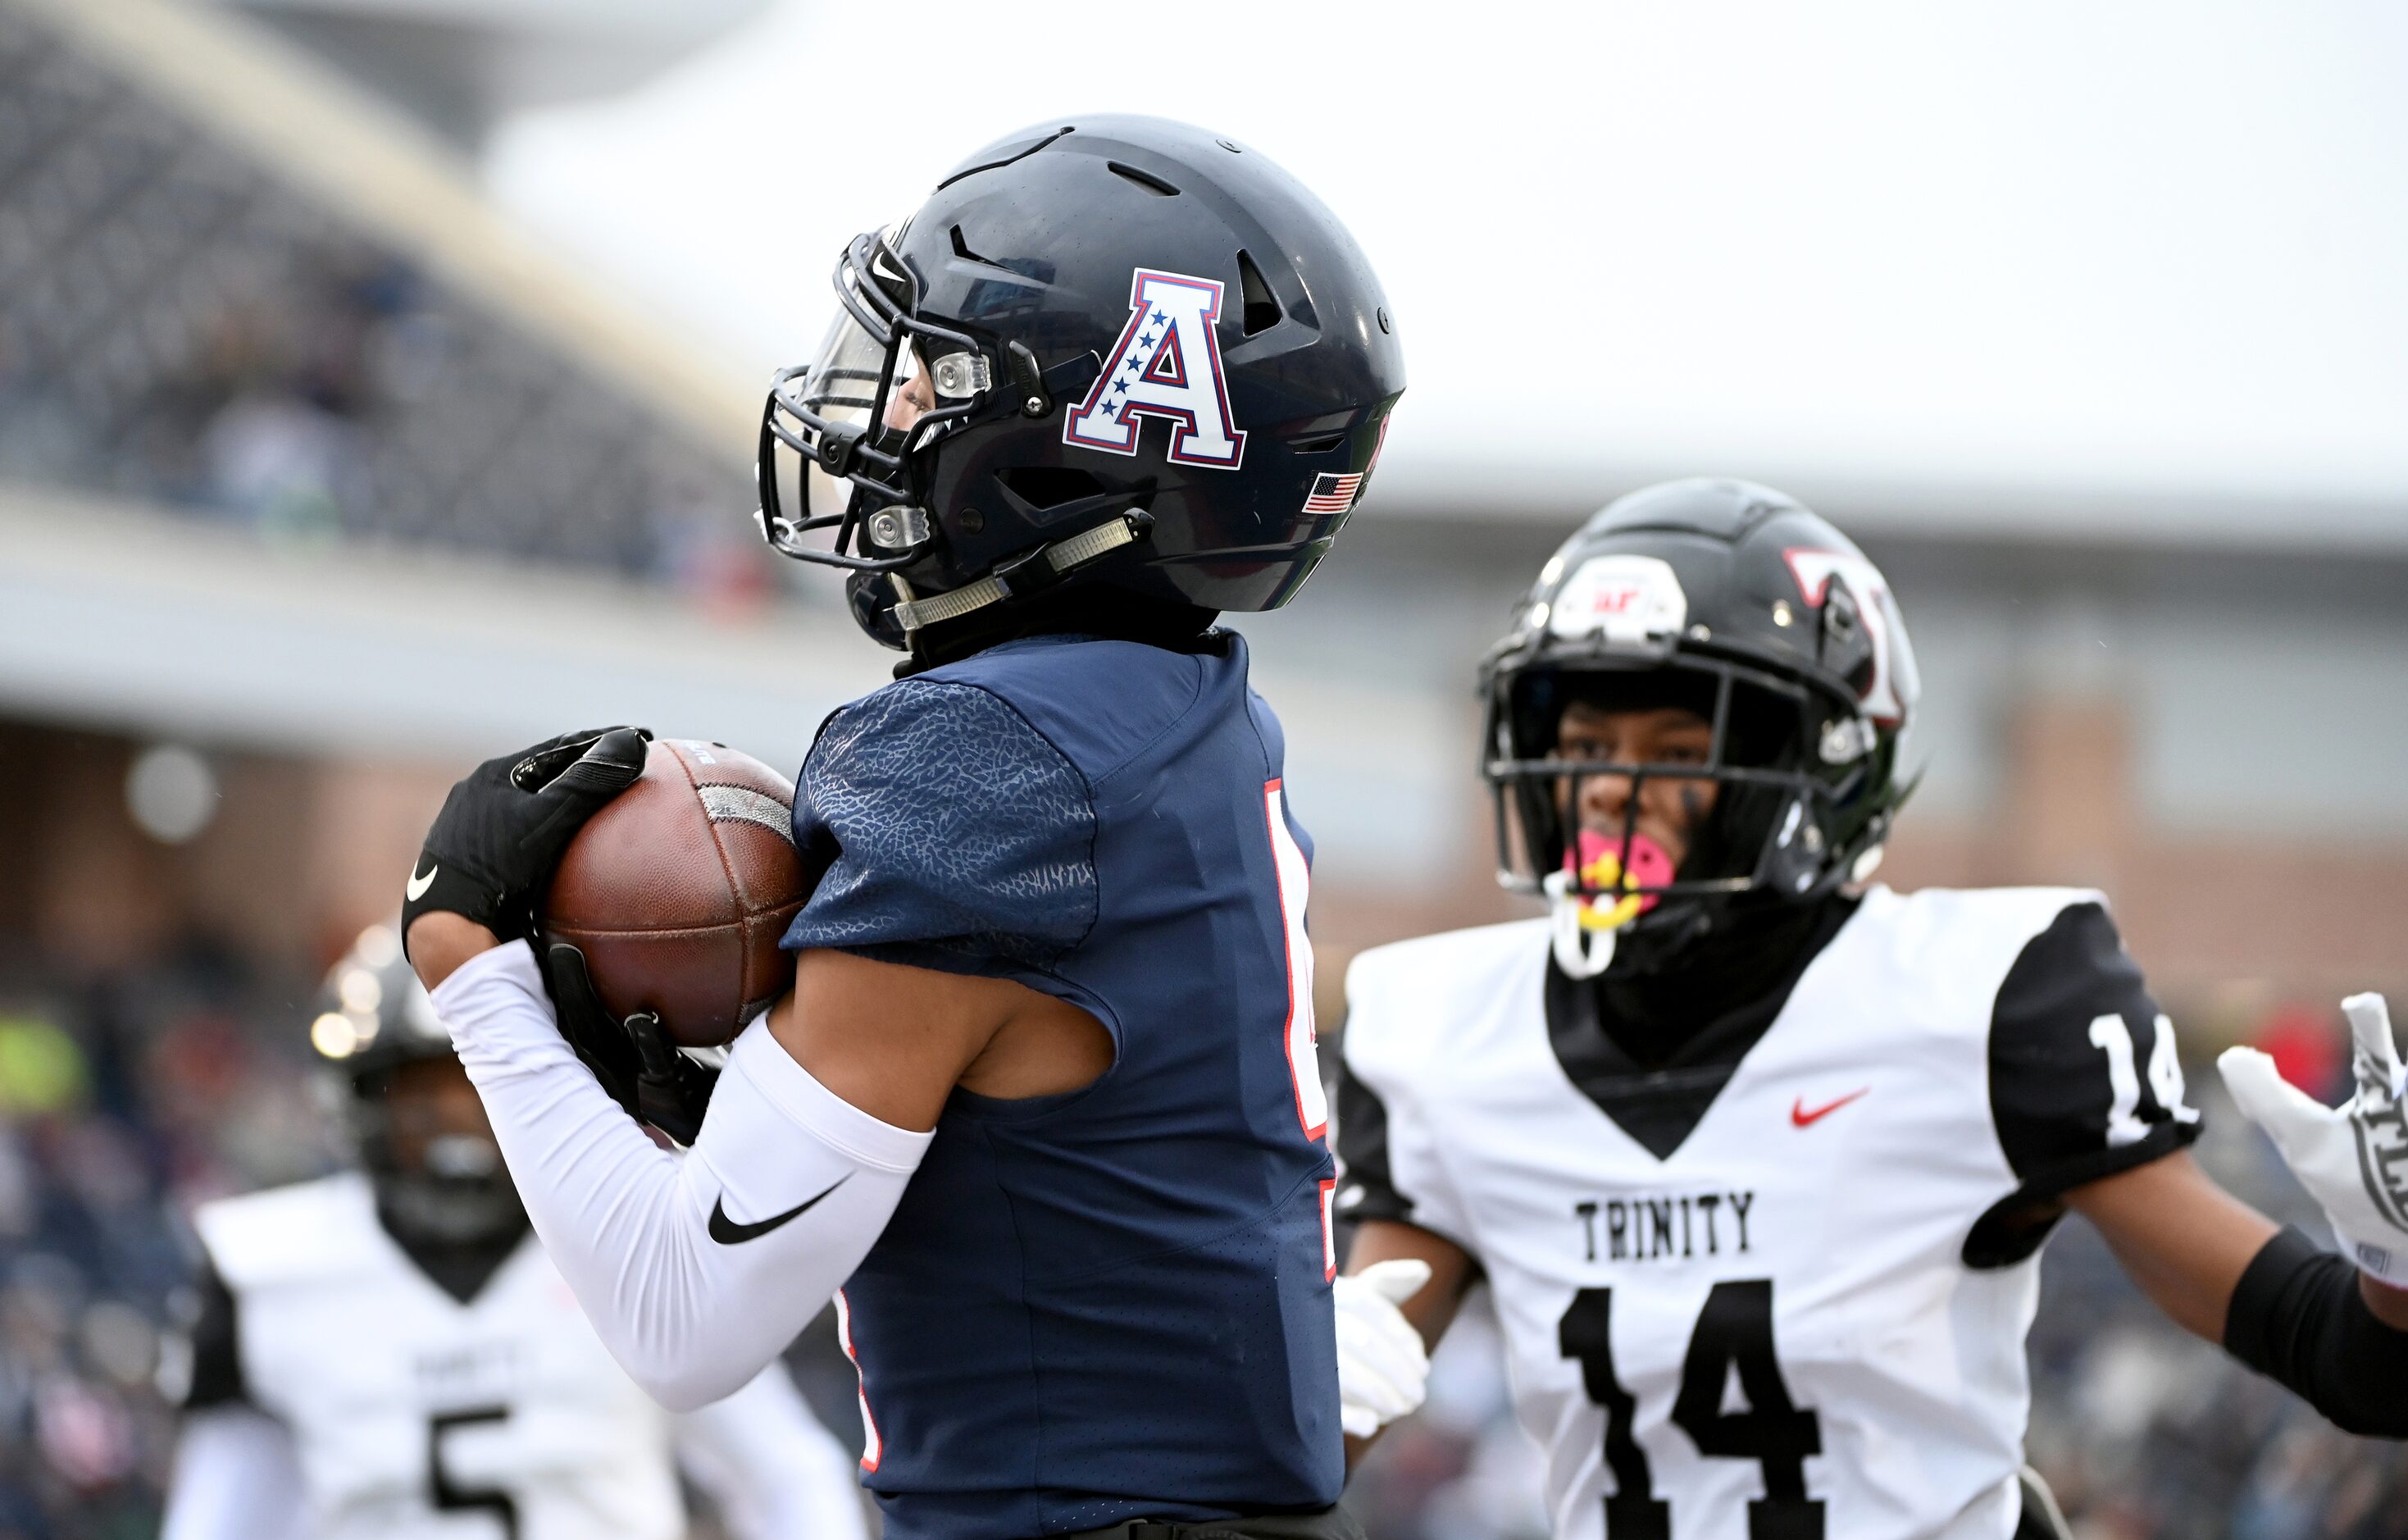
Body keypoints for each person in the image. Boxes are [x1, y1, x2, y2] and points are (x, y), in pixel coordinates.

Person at [401, 116, 1407, 1539]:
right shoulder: (1188, 709)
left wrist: (473, 967)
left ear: (1077, 442)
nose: (879, 415)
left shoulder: (977, 754)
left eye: (931, 374)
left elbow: (685, 1320)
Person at [1328, 478, 2408, 1540]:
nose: (1610, 786)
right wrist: (1281, 1375)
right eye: (1586, 740)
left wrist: (2394, 1271)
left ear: (1813, 775)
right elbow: (1314, 1442)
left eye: (1673, 747)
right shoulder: (1444, 1033)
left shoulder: (1978, 997)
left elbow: (2358, 1368)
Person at [161, 924, 867, 1540]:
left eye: (481, 1092)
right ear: (363, 1107)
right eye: (424, 1096)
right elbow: (224, 1517)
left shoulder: (637, 1240)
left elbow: (788, 1477)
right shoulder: (267, 1271)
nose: (458, 1127)